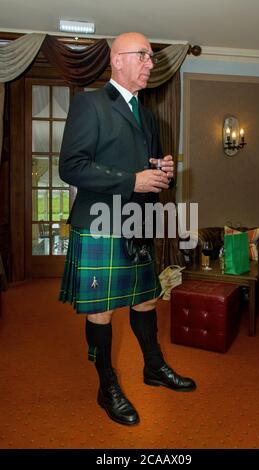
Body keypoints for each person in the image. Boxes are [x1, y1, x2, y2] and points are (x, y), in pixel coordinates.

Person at [59, 32, 196, 426]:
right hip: (100, 224)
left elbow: (147, 171)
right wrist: (131, 180)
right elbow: (71, 166)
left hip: (138, 223)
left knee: (147, 300)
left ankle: (153, 368)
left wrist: (162, 173)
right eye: (145, 55)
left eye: (152, 57)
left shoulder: (148, 115)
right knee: (102, 312)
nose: (152, 63)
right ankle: (107, 386)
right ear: (117, 60)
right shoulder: (90, 104)